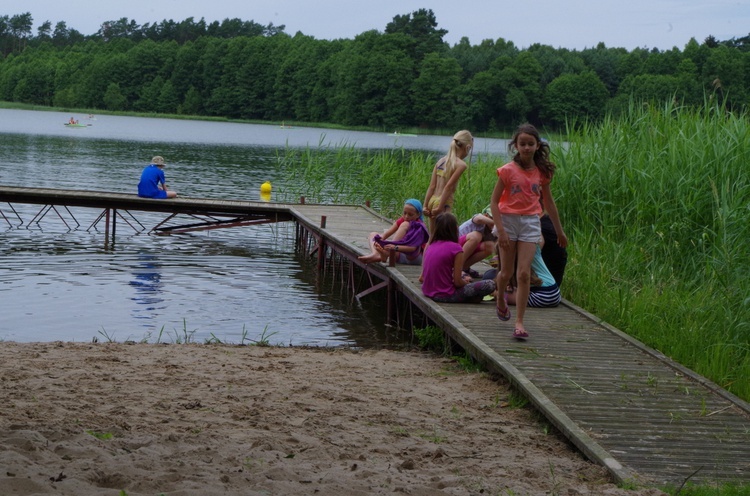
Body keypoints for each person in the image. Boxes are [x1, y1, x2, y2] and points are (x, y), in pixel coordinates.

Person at [490, 123, 567, 339]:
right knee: (506, 273)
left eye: (530, 144)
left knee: (523, 274)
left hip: (531, 222)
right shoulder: (507, 171)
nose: (526, 148)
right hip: (508, 221)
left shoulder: (542, 172)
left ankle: (520, 322)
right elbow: (494, 202)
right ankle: (500, 299)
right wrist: (502, 232)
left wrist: (560, 232)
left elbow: (549, 203)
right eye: (522, 144)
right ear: (515, 145)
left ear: (537, 146)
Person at [421, 212, 496, 303]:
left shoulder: (431, 245)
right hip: (445, 295)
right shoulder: (456, 248)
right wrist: (466, 283)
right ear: (454, 229)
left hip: (427, 291)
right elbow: (457, 282)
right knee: (489, 284)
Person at [422, 130, 474, 232]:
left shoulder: (440, 161)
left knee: (432, 237)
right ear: (467, 147)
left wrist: (425, 205)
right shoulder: (461, 165)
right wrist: (440, 207)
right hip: (443, 202)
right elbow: (449, 187)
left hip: (432, 200)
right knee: (445, 236)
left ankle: (428, 248)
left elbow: (432, 186)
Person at [486, 244, 561, 308]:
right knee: (491, 276)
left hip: (540, 296)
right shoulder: (534, 247)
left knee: (498, 290)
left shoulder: (513, 258)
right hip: (555, 293)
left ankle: (491, 292)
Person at [358, 199, 429, 265]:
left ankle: (385, 253)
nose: (406, 217)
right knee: (373, 234)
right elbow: (386, 234)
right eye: (404, 213)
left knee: (405, 224)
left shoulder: (420, 227)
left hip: (413, 258)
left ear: (418, 215)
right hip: (398, 254)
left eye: (410, 214)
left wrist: (394, 247)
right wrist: (380, 241)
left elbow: (412, 248)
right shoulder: (402, 219)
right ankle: (375, 254)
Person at [458, 206, 496, 278]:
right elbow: (479, 218)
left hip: (466, 250)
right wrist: (496, 223)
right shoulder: (479, 219)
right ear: (486, 216)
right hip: (455, 245)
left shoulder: (494, 231)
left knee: (490, 246)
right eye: (492, 218)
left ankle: (464, 267)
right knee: (476, 236)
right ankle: (457, 269)